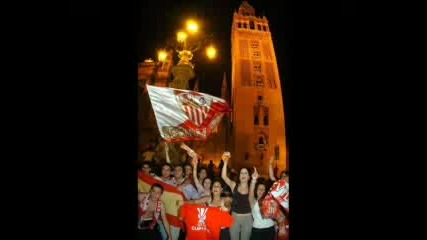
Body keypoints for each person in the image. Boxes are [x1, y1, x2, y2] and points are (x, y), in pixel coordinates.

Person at [221, 151, 253, 240]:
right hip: (234, 217)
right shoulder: (234, 185)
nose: (243, 175)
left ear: (249, 176)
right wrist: (225, 162)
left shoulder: (252, 187)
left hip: (247, 218)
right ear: (239, 176)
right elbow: (224, 176)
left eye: (245, 173)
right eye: (241, 173)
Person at [249, 168, 276, 240]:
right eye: (259, 189)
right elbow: (250, 193)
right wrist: (253, 180)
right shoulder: (253, 201)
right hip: (258, 231)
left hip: (270, 229)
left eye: (263, 189)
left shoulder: (269, 200)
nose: (261, 191)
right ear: (256, 190)